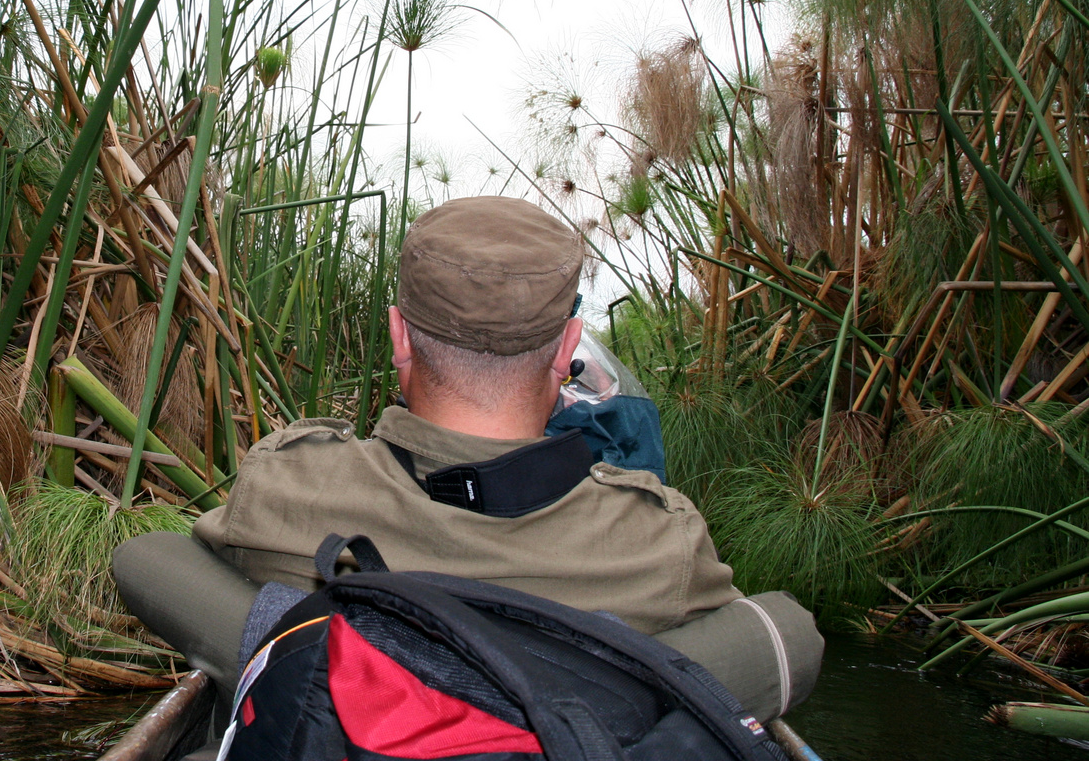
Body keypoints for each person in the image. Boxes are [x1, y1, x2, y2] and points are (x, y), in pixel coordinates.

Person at [115, 196, 821, 723]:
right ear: (567, 345)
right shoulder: (657, 542)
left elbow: (145, 560)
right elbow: (790, 642)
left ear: (400, 335)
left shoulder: (290, 487)